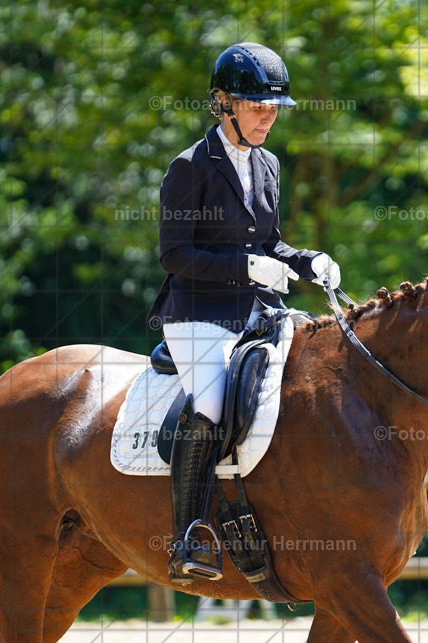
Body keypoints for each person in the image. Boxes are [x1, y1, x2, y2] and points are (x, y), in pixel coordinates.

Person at [146, 42, 341, 583]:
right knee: (208, 401)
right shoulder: (189, 168)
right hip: (197, 314)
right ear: (223, 103)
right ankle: (187, 536)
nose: (268, 117)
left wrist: (306, 261)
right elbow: (174, 255)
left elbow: (270, 243)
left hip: (256, 312)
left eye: (274, 107)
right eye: (257, 106)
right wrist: (247, 268)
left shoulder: (269, 164)